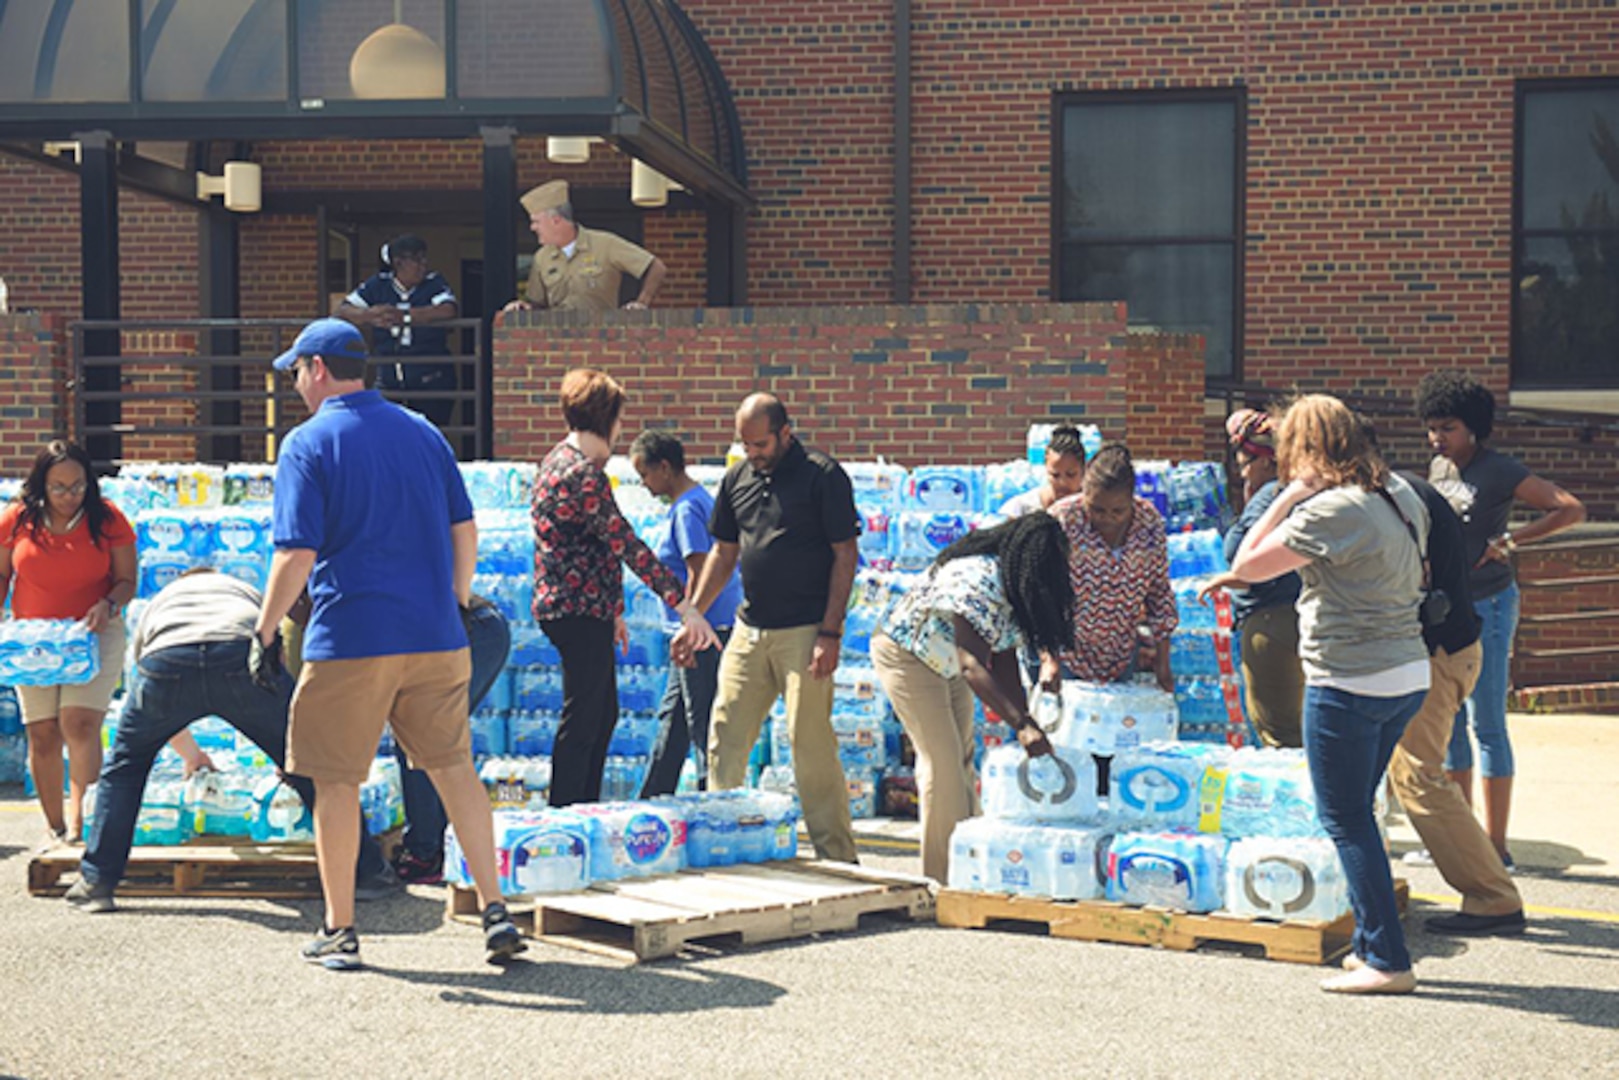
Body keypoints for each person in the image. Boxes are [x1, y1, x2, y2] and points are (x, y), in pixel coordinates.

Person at [253, 317, 521, 970]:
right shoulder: (423, 432)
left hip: (351, 636)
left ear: (318, 368)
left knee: (335, 780)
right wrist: (454, 604)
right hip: (434, 634)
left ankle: (340, 930)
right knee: (454, 767)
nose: (295, 385)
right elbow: (466, 530)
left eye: (296, 372)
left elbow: (296, 555)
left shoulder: (306, 444)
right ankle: (494, 910)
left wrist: (262, 632)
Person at [1230, 393, 1429, 995]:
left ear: (1307, 451)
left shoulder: (1332, 510)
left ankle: (1389, 962)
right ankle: (1370, 941)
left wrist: (1287, 497)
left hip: (1349, 679)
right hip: (1405, 672)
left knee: (1344, 819)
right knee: (1359, 815)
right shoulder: (1399, 492)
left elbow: (1246, 563)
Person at [63, 569, 398, 912]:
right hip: (237, 652)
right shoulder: (242, 591)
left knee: (125, 771)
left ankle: (96, 881)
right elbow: (274, 653)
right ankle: (368, 871)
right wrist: (286, 746)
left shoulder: (163, 601)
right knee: (311, 764)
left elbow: (148, 682)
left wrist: (190, 754)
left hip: (167, 657)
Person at [673, 393, 861, 865]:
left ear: (784, 433)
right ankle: (726, 844)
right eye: (745, 445)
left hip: (806, 631)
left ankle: (836, 857)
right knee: (725, 734)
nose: (752, 454)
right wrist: (693, 612)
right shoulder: (737, 477)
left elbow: (845, 554)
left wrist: (830, 633)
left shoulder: (823, 476)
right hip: (750, 628)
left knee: (809, 742)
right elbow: (724, 552)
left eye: (760, 444)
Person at [1416, 370, 1585, 867]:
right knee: (1449, 723)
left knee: (1488, 723)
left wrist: (1511, 542)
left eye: (1446, 427)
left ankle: (1497, 848)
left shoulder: (1500, 469)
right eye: (1431, 427)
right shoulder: (1439, 469)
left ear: (1472, 427)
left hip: (1490, 603)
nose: (1436, 437)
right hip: (1447, 609)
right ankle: (1461, 838)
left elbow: (1569, 509)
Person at [530, 371, 714, 807]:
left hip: (576, 605)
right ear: (608, 418)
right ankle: (569, 811)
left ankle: (582, 806)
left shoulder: (557, 460)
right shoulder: (582, 475)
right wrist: (683, 603)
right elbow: (625, 543)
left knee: (600, 712)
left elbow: (591, 544)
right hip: (576, 608)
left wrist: (613, 608)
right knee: (585, 716)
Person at [870, 514, 1075, 881]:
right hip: (907, 654)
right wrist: (1023, 726)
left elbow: (1004, 659)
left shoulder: (1013, 583)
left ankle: (968, 865)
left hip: (944, 661)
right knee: (942, 764)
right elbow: (972, 665)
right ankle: (941, 880)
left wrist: (1025, 721)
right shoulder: (974, 579)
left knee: (964, 759)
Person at [1390, 469, 1527, 936]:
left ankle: (1493, 894)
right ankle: (1492, 886)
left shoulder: (1394, 500)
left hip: (1437, 652)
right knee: (1425, 770)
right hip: (1451, 647)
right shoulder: (1410, 492)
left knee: (1419, 775)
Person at [0, 440, 137, 848]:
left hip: (92, 634)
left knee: (79, 723)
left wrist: (107, 604)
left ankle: (83, 825)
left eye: (77, 486)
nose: (68, 496)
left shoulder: (108, 519)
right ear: (41, 485)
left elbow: (128, 580)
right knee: (42, 732)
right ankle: (54, 825)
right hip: (35, 641)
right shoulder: (18, 519)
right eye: (58, 487)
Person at [629, 430, 743, 798]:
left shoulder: (687, 509)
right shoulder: (695, 502)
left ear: (665, 468)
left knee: (701, 721)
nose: (643, 484)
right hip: (702, 629)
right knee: (674, 720)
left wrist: (691, 625)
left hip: (701, 631)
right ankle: (654, 797)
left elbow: (698, 567)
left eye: (645, 474)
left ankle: (712, 797)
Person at [1200, 409, 1305, 747]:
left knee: (1279, 735)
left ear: (1265, 461)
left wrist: (1231, 577)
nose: (1242, 473)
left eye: (1245, 464)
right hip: (1293, 615)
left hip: (1273, 622)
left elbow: (1246, 558)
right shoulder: (1293, 494)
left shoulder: (1272, 496)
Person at [1048, 443, 1177, 691]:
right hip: (1065, 656)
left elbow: (1159, 594)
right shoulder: (1062, 521)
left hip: (1120, 656)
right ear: (1084, 493)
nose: (1107, 518)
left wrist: (1163, 664)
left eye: (1118, 511)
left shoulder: (1149, 524)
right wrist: (1049, 660)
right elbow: (1041, 595)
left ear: (1132, 499)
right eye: (1096, 509)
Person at [335, 234, 460, 425]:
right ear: (398, 262)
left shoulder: (433, 282)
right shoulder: (379, 285)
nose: (422, 265)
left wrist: (406, 316)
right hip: (389, 378)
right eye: (416, 260)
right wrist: (371, 314)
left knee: (429, 432)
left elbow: (448, 310)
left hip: (430, 378)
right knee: (388, 432)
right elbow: (342, 310)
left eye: (424, 258)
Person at [501, 180, 667, 314]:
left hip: (602, 341)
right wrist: (523, 307)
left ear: (555, 220)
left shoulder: (605, 244)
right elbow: (538, 304)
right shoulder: (542, 257)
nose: (532, 227)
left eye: (536, 221)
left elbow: (655, 266)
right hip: (557, 342)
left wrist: (641, 304)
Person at [997, 426, 1087, 517]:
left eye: (1071, 475)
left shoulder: (1094, 509)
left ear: (1083, 470)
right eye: (1055, 475)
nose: (1062, 483)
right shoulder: (1024, 507)